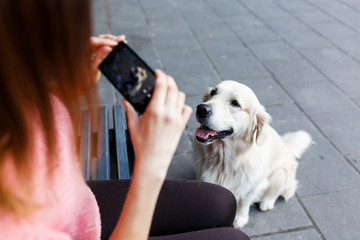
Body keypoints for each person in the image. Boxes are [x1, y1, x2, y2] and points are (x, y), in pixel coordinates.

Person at [0, 1, 250, 239]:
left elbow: (24, 114)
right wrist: (151, 164)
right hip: (59, 220)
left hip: (72, 200)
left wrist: (71, 85)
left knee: (223, 202)